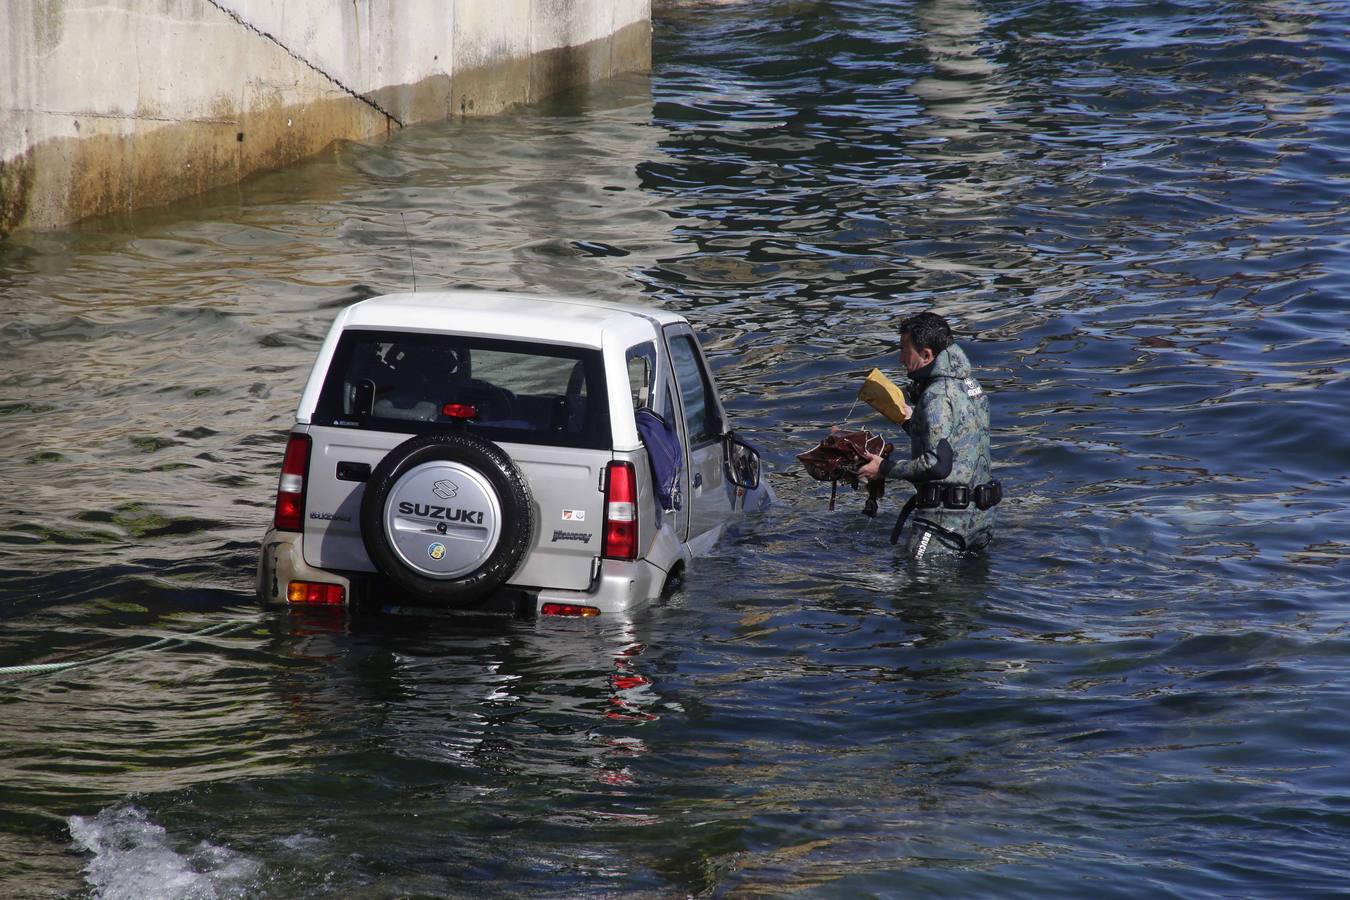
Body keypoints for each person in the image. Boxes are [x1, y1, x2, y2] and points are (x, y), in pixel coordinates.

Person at [857, 312, 1000, 558]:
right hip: (980, 521)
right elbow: (958, 438)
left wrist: (885, 468)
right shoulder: (970, 385)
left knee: (916, 592)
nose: (901, 359)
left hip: (942, 525)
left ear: (926, 355)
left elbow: (937, 465)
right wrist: (911, 420)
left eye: (904, 350)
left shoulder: (936, 395)